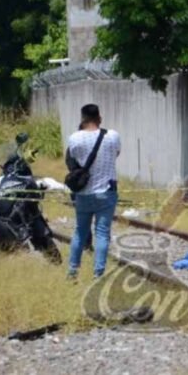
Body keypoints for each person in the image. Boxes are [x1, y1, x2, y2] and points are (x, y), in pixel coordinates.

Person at [66, 104, 120, 278]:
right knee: (102, 233)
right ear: (99, 118)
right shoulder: (112, 136)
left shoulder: (74, 138)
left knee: (80, 232)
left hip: (83, 194)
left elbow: (72, 161)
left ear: (82, 119)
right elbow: (116, 154)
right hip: (106, 192)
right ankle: (98, 273)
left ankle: (72, 271)